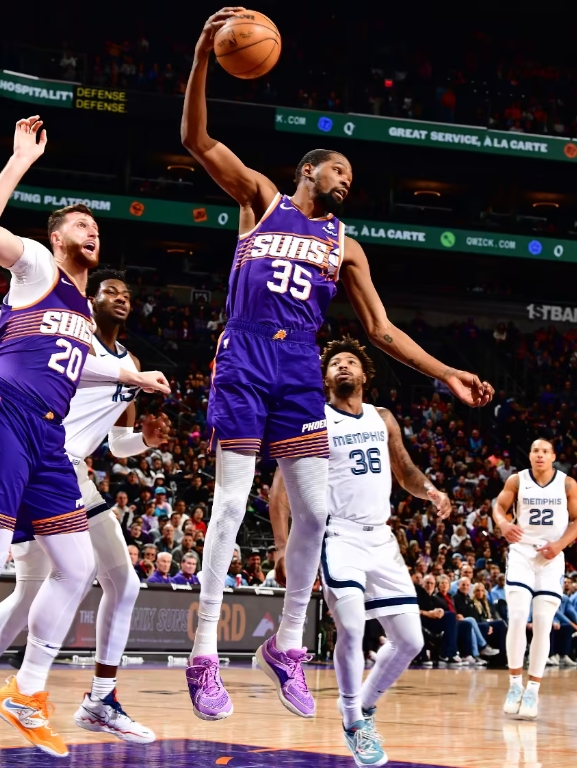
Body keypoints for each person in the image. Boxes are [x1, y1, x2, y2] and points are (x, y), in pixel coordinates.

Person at [181, 8, 494, 723]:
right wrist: (202, 56)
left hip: (299, 365)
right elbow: (196, 139)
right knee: (230, 505)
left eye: (351, 173)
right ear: (308, 171)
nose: (347, 179)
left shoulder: (345, 246)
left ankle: (286, 645)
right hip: (245, 353)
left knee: (317, 512)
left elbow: (380, 330)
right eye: (338, 168)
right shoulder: (261, 199)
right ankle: (203, 654)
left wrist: (444, 372)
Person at [0, 117, 169, 756]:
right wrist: (18, 162)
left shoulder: (78, 311)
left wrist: (132, 375)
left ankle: (28, 692)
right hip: (8, 413)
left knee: (74, 569)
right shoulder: (37, 266)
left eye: (96, 227)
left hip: (50, 442)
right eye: (80, 224)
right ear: (55, 237)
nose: (91, 231)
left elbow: (79, 362)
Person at [270, 337, 452, 765]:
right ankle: (353, 721)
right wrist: (281, 549)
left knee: (410, 640)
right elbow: (279, 493)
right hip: (339, 535)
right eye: (335, 363)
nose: (343, 367)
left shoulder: (382, 417)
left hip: (381, 539)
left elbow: (405, 471)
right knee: (351, 627)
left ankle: (363, 705)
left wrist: (430, 490)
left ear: (365, 375)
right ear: (325, 378)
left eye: (351, 361)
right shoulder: (314, 420)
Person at [493, 438, 577, 719]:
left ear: (553, 456)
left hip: (551, 557)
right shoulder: (517, 480)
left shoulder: (567, 484)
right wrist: (504, 523)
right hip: (522, 553)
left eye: (545, 451)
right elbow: (498, 506)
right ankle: (515, 684)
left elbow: (576, 520)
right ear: (530, 456)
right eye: (535, 451)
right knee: (517, 617)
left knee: (542, 623)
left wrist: (560, 545)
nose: (540, 455)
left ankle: (533, 691)